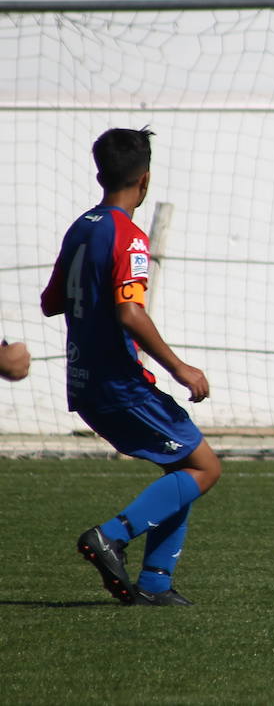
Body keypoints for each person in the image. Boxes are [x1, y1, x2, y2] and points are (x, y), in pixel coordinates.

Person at [40, 127, 221, 606]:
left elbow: (50, 301)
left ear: (101, 174)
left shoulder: (81, 227)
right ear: (145, 180)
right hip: (122, 383)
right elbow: (130, 311)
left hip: (83, 382)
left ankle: (157, 583)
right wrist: (181, 368)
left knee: (180, 466)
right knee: (205, 468)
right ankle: (110, 536)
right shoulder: (130, 239)